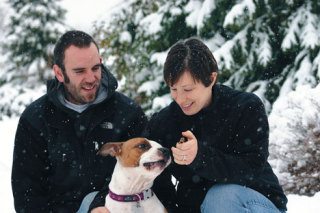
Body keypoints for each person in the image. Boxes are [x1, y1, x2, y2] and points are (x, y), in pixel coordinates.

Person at [144, 38, 288, 212]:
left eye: (188, 89)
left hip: (255, 201)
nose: (180, 99)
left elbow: (251, 167)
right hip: (198, 207)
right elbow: (158, 184)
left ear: (211, 78)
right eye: (173, 89)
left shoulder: (245, 107)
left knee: (221, 197)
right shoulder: (163, 124)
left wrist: (199, 157)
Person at [11, 30, 147, 213]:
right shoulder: (36, 119)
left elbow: (145, 173)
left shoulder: (127, 113)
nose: (91, 78)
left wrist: (100, 202)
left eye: (96, 68)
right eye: (80, 71)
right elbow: (27, 193)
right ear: (59, 73)